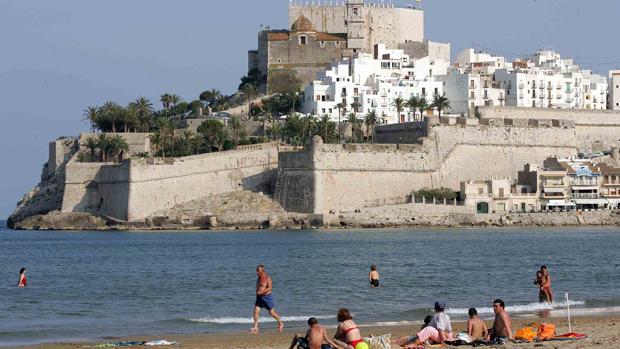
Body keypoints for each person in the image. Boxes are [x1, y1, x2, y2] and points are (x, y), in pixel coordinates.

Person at [250, 265, 283, 333]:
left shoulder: (267, 278)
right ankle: (256, 327)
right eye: (256, 270)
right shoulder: (258, 278)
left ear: (262, 271)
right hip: (259, 297)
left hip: (267, 297)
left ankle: (280, 323)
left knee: (271, 313)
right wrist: (257, 292)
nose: (257, 272)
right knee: (256, 311)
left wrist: (261, 292)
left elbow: (270, 288)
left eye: (258, 271)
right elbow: (258, 287)